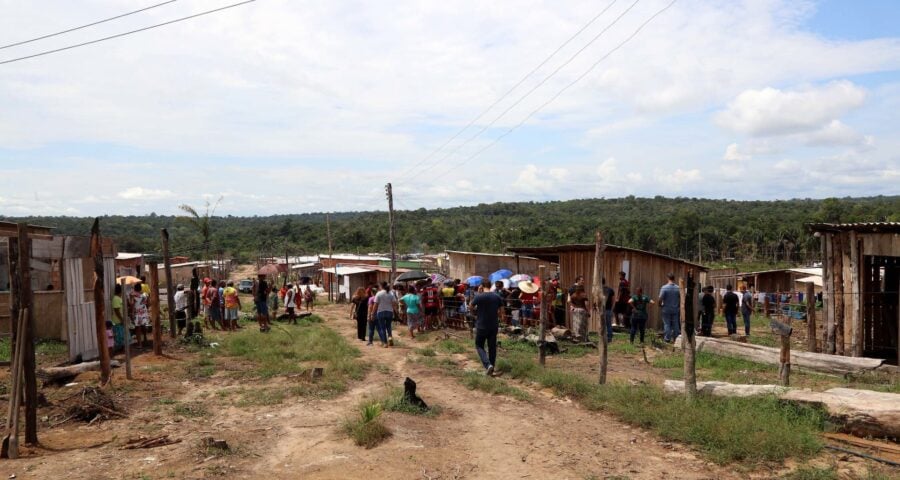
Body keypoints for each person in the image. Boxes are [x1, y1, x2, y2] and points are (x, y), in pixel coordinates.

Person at [469, 278, 503, 376]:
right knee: (492, 347)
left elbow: (471, 306)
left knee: (479, 345)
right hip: (493, 325)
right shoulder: (497, 297)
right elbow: (502, 312)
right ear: (490, 285)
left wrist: (475, 313)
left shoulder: (479, 297)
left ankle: (488, 365)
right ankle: (492, 366)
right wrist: (499, 317)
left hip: (481, 325)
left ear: (482, 286)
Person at [658, 274, 681, 343]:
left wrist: (659, 304)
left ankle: (667, 339)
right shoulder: (678, 288)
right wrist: (679, 305)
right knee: (676, 324)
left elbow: (660, 298)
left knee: (667, 324)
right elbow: (682, 298)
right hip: (675, 309)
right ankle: (676, 338)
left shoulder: (664, 287)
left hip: (666, 308)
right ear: (674, 279)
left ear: (667, 278)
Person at [373, 282, 397, 347]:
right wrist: (396, 312)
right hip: (389, 312)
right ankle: (390, 339)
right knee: (388, 327)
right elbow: (394, 303)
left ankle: (385, 343)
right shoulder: (391, 293)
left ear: (381, 286)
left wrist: (373, 313)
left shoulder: (379, 293)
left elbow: (376, 304)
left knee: (382, 328)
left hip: (380, 312)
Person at [129, 281, 150, 349]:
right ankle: (145, 339)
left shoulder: (133, 296)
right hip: (144, 312)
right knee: (144, 326)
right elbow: (148, 303)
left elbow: (132, 304)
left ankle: (140, 344)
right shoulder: (145, 294)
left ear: (134, 289)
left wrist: (132, 313)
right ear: (141, 288)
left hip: (137, 313)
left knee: (138, 329)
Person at [112, 284, 126, 350]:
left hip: (120, 319)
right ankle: (119, 348)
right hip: (117, 320)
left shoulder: (119, 298)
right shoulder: (116, 299)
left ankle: (122, 347)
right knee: (119, 335)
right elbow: (116, 310)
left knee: (122, 334)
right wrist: (121, 319)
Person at [602, 278, 615, 342]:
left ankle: (602, 337)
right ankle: (609, 338)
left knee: (602, 324)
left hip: (602, 310)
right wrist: (612, 309)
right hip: (608, 310)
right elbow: (613, 301)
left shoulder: (599, 290)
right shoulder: (610, 290)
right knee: (609, 324)